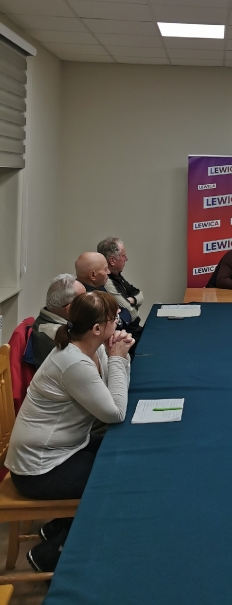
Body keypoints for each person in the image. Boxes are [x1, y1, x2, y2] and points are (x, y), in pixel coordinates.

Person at [5, 291, 133, 572]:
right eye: (114, 319)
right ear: (96, 328)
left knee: (121, 454)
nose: (118, 323)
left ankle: (59, 528)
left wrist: (117, 357)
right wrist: (119, 359)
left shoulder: (92, 348)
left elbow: (114, 393)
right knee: (114, 478)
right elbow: (115, 413)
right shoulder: (74, 362)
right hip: (38, 469)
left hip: (62, 449)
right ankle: (50, 555)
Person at [31, 274, 86, 369]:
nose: (88, 305)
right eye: (84, 301)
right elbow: (84, 366)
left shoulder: (50, 318)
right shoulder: (56, 335)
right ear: (70, 309)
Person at [97, 237, 144, 342]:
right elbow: (132, 313)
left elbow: (139, 294)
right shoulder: (106, 282)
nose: (126, 259)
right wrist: (134, 306)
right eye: (123, 255)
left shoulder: (117, 276)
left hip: (132, 330)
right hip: (125, 335)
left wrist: (132, 300)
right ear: (112, 261)